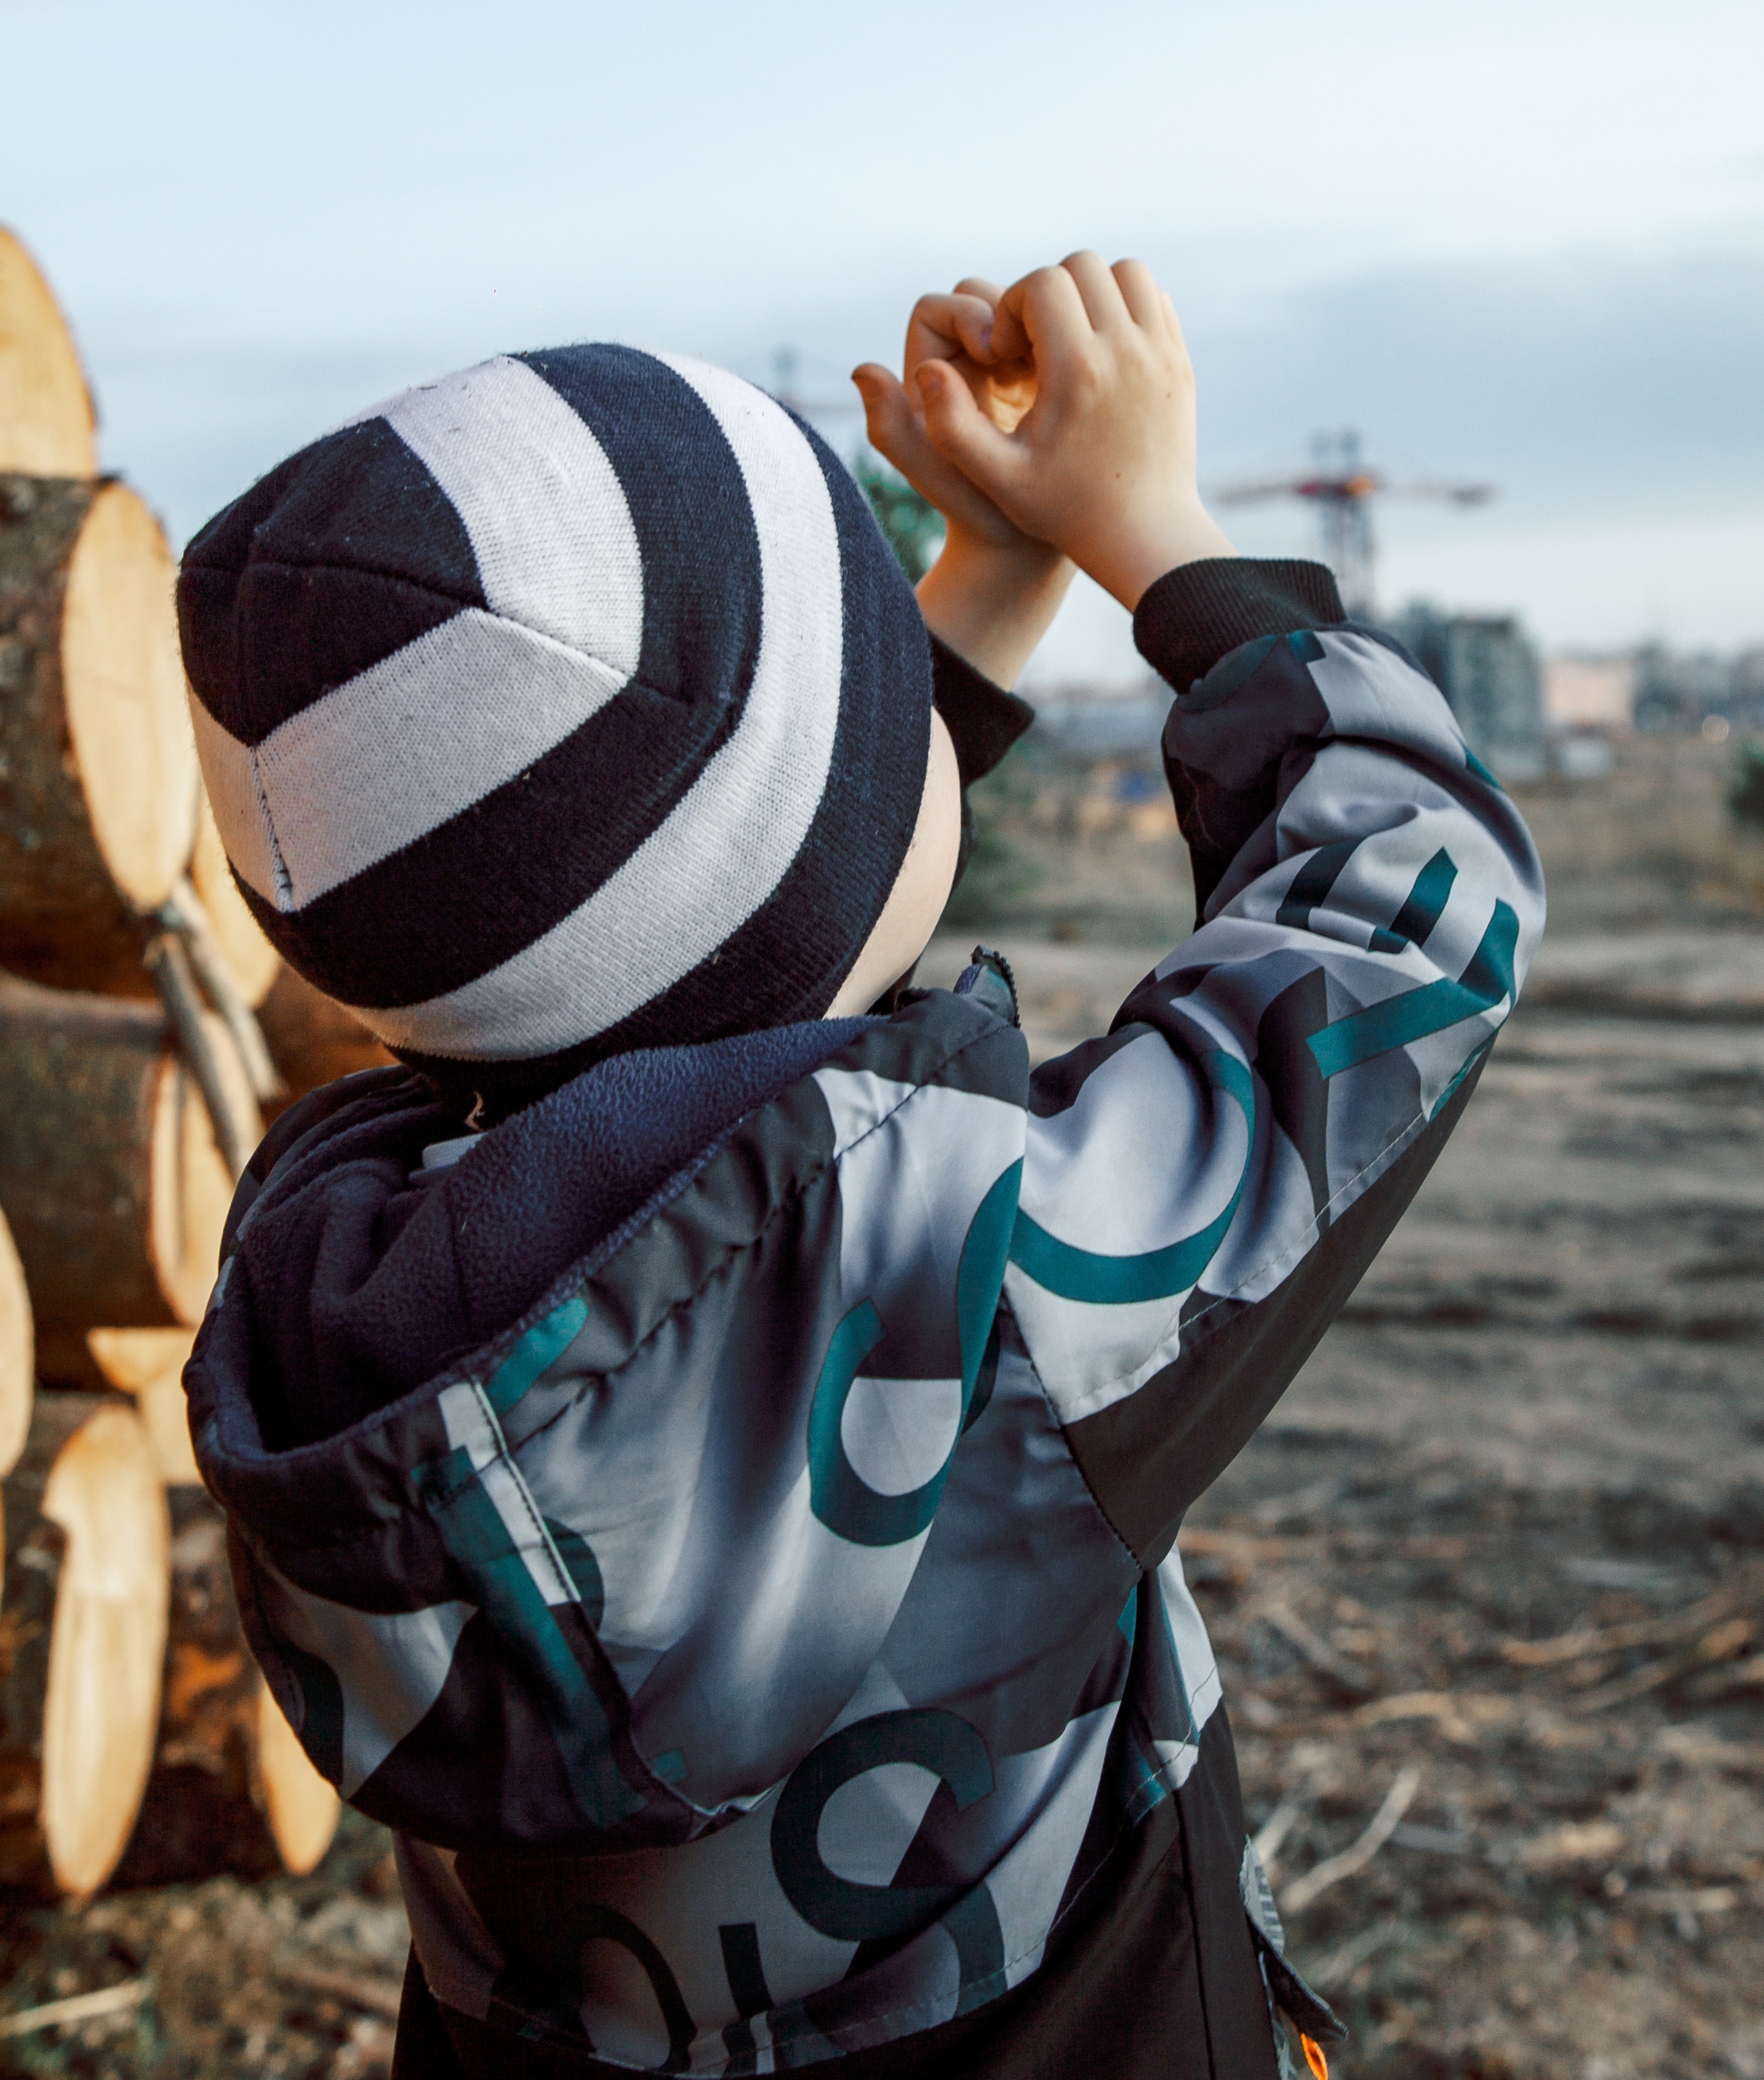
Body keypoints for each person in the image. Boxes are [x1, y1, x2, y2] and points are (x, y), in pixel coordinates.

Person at [179, 254, 1544, 2079]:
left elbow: (711, 959)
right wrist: (1167, 545)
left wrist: (986, 583)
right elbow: (1406, 934)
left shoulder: (330, 1303)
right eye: (895, 693)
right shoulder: (995, 1313)